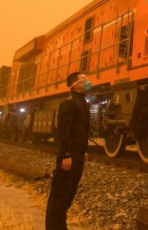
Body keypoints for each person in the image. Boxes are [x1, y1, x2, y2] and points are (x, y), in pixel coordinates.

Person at [46, 72, 91, 230]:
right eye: (84, 79)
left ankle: (61, 226)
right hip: (69, 156)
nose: (88, 81)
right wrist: (66, 155)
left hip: (78, 155)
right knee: (60, 194)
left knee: (69, 194)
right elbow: (63, 131)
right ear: (75, 84)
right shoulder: (68, 103)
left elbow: (83, 130)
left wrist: (85, 150)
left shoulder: (84, 103)